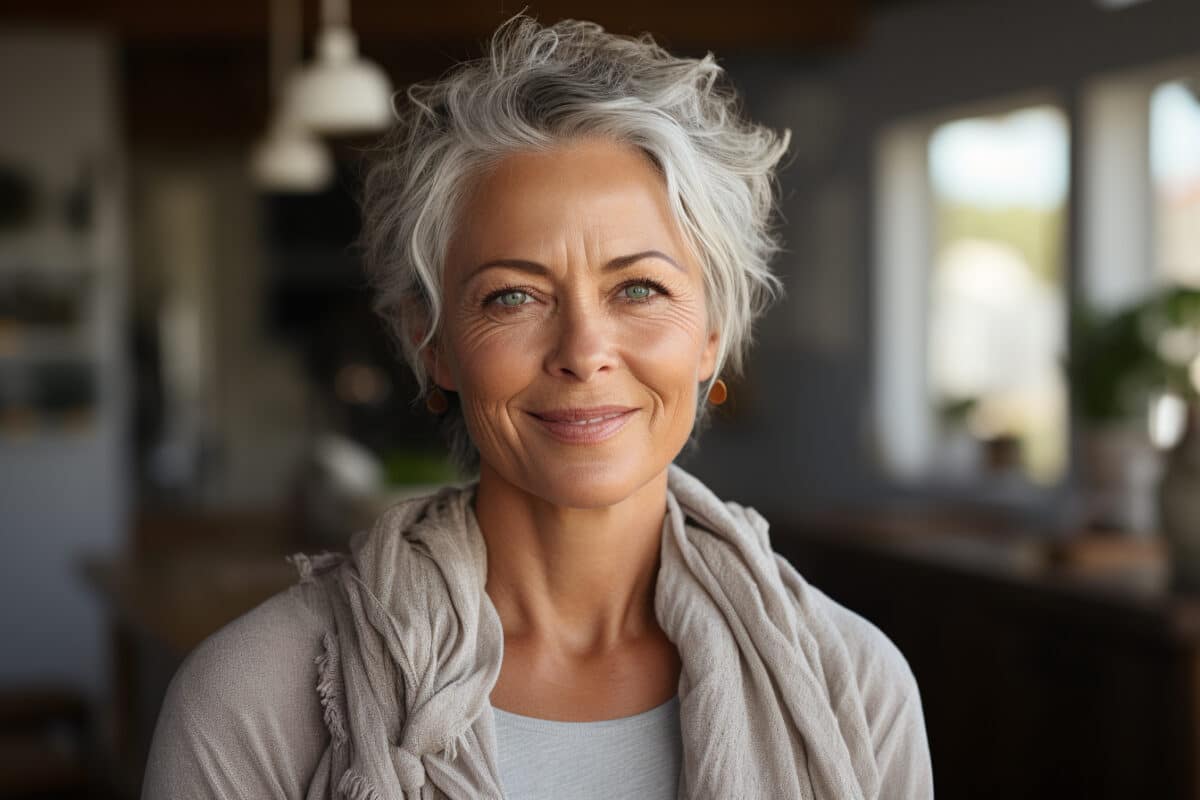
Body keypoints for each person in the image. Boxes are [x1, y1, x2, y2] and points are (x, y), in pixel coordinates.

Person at [143, 14, 933, 800]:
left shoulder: (851, 684)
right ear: (434, 343)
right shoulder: (253, 698)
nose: (583, 350)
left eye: (639, 288)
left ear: (712, 338)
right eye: (513, 295)